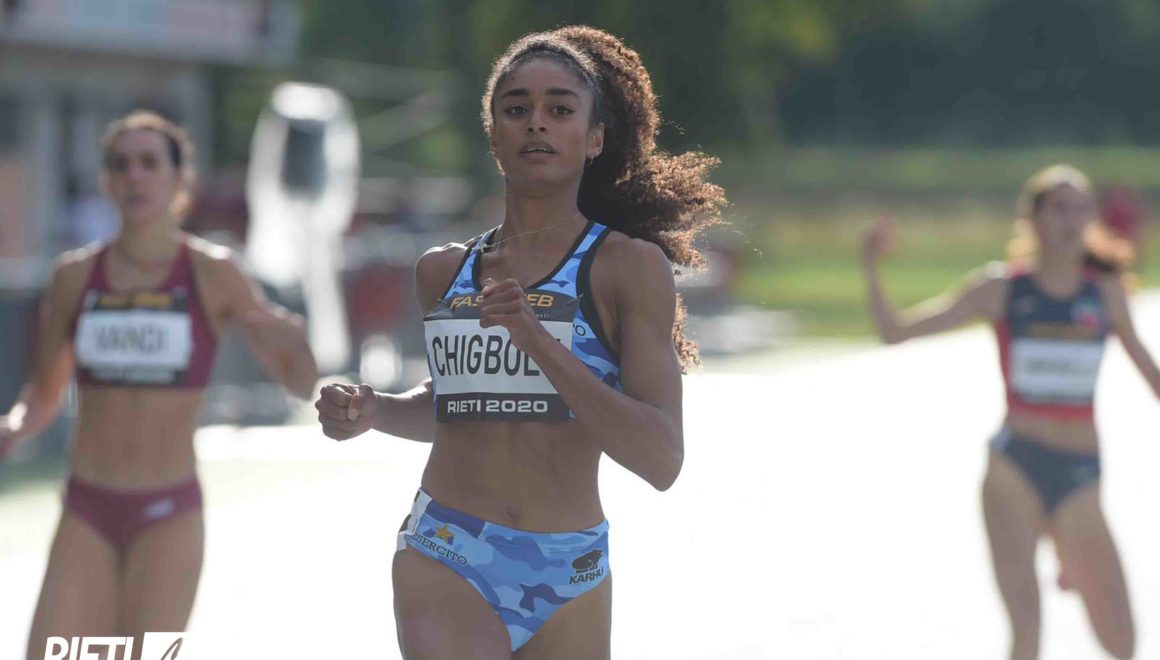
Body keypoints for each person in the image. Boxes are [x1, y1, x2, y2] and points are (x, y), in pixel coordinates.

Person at [316, 25, 726, 659]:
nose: (536, 122)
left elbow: (661, 460)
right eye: (516, 109)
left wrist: (542, 344)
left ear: (594, 138)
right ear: (493, 135)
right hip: (447, 548)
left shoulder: (627, 268)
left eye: (560, 110)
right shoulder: (443, 272)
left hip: (571, 567)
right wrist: (375, 411)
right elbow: (461, 406)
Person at [0, 110, 318, 659]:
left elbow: (301, 383)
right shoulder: (74, 276)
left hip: (169, 513)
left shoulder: (214, 272)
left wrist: (297, 341)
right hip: (87, 507)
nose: (135, 176)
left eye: (149, 163)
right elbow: (43, 394)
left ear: (179, 179)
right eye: (121, 165)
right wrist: (12, 426)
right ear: (107, 182)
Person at [862, 164, 1160, 660]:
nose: (1071, 219)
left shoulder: (1104, 292)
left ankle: (1068, 552)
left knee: (1122, 642)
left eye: (1082, 208)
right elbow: (895, 332)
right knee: (1027, 633)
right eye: (1059, 207)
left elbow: (1153, 379)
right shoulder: (1001, 288)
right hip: (1015, 468)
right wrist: (871, 265)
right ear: (1034, 219)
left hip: (1080, 475)